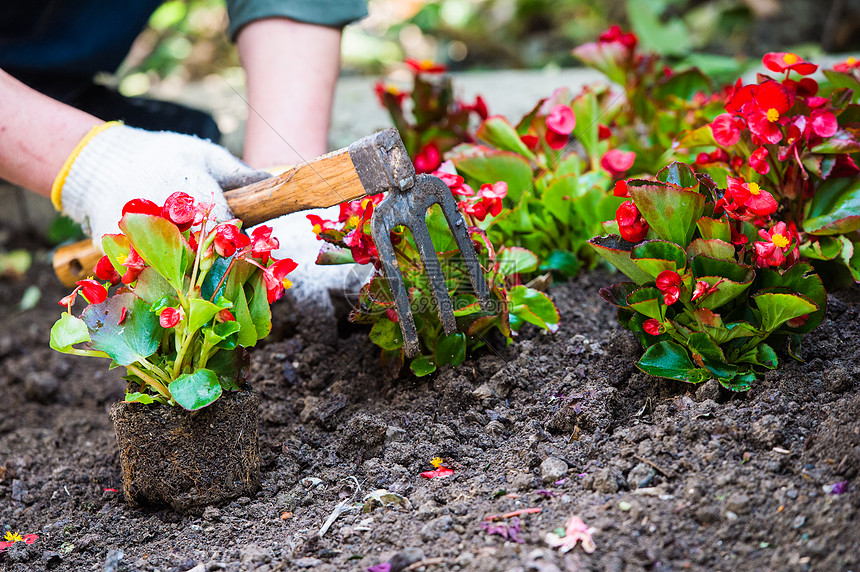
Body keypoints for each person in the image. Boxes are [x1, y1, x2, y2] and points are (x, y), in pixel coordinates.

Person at [0, 1, 367, 303]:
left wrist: (283, 173)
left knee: (194, 142)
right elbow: (94, 164)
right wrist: (90, 164)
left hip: (50, 85)